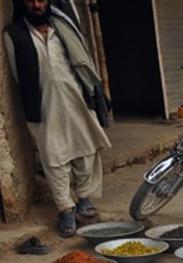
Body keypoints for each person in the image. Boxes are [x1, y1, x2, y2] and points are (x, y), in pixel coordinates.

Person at [4, 0, 110, 237]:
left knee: (86, 151)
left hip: (76, 101)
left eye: (41, 0)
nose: (36, 5)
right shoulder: (14, 35)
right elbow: (17, 74)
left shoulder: (63, 27)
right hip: (44, 106)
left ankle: (84, 198)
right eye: (31, 1)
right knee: (54, 159)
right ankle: (66, 209)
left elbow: (81, 62)